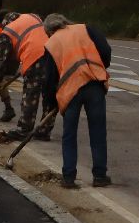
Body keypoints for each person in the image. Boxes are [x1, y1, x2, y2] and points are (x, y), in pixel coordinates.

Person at [38, 13, 111, 189]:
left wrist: (51, 103)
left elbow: (48, 79)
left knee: (69, 134)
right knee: (98, 131)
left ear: (48, 30)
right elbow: (106, 51)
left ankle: (68, 177)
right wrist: (99, 68)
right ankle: (100, 176)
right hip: (94, 85)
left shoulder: (51, 43)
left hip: (70, 91)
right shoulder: (86, 28)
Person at [0, 11, 53, 141]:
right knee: (49, 94)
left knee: (30, 95)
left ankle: (24, 129)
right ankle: (44, 130)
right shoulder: (33, 16)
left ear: (4, 22)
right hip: (53, 54)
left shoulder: (8, 29)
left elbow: (1, 58)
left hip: (34, 58)